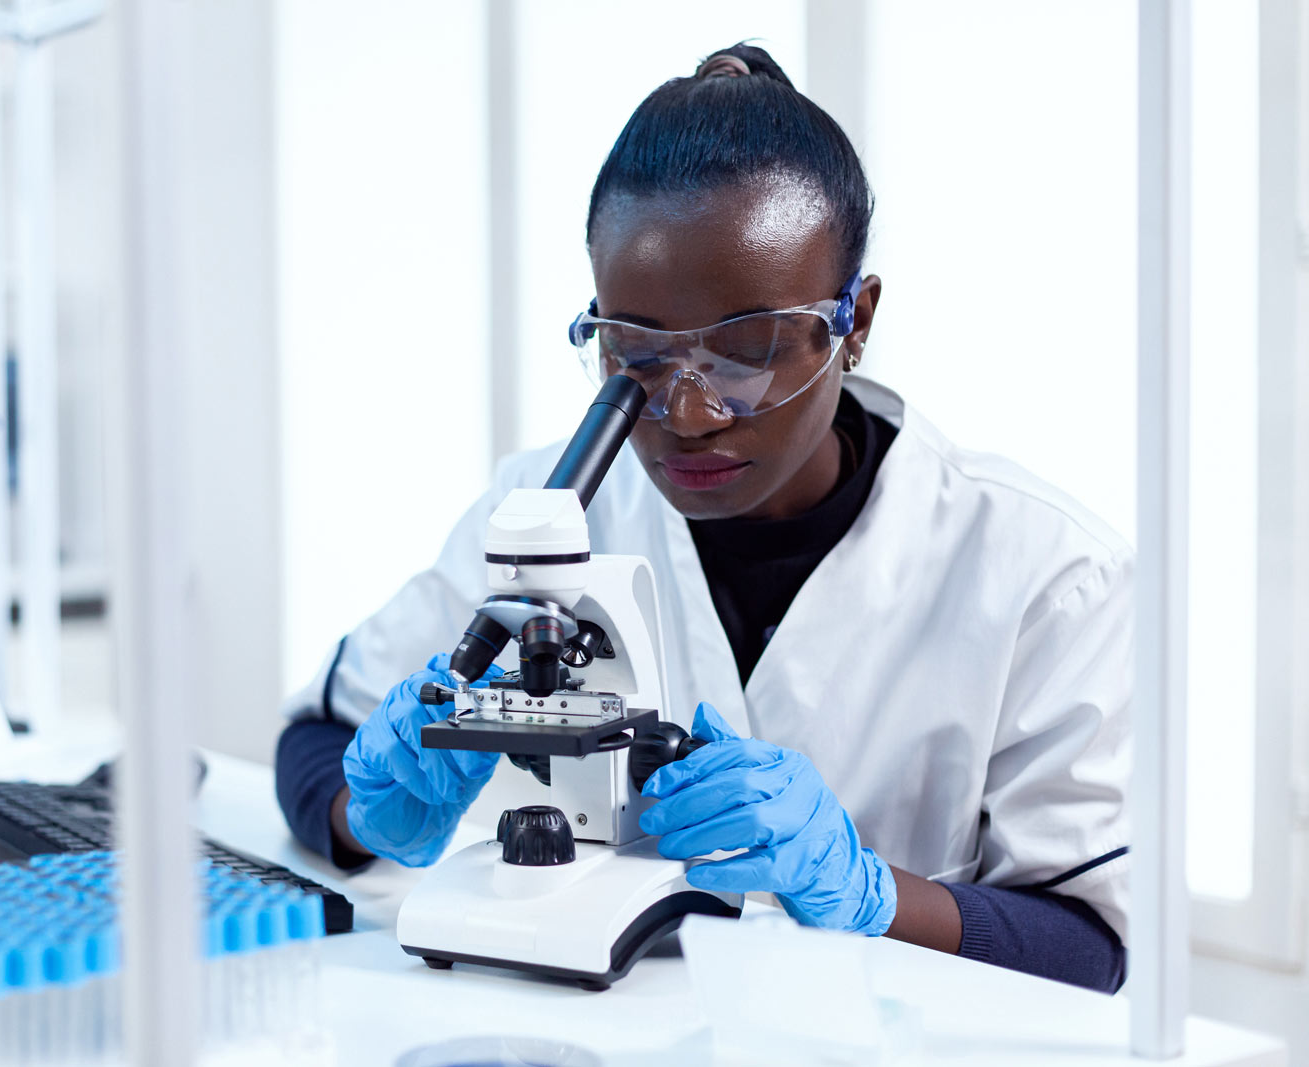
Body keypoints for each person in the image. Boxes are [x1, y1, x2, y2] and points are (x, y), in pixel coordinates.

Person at [275, 43, 1128, 993]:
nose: (686, 412)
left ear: (854, 321)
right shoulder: (549, 510)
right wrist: (368, 812)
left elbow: (1093, 947)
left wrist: (868, 892)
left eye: (748, 348)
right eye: (634, 350)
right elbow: (313, 739)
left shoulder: (1044, 572)